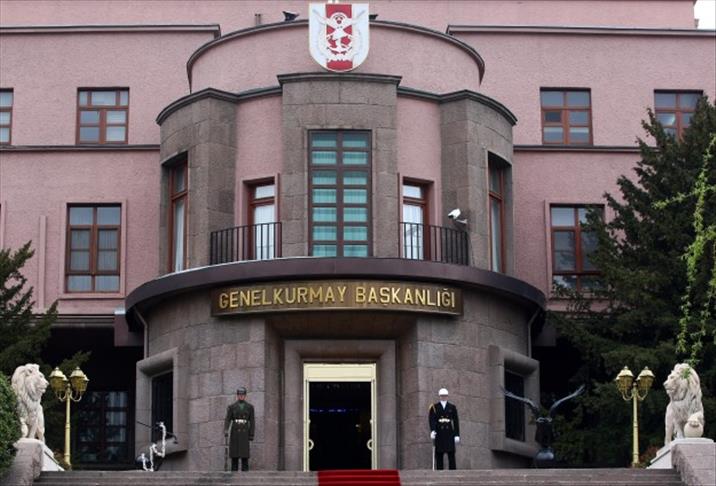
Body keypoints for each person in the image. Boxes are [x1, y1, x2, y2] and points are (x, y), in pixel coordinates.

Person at [224, 387, 255, 471]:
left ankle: (245, 472)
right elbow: (228, 419)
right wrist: (226, 429)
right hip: (235, 432)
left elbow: (252, 421)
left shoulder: (250, 407)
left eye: (243, 395)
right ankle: (234, 473)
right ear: (237, 395)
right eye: (240, 395)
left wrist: (251, 434)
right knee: (235, 454)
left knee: (244, 455)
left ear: (245, 396)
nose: (241, 396)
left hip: (245, 433)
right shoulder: (232, 407)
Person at [428, 388, 460, 470]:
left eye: (445, 395)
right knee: (439, 454)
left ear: (447, 396)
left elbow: (455, 421)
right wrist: (433, 430)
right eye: (442, 395)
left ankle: (453, 471)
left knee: (451, 453)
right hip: (439, 432)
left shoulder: (452, 407)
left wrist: (456, 434)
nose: (443, 397)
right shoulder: (434, 407)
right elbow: (432, 420)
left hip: (449, 432)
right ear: (439, 396)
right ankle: (439, 471)